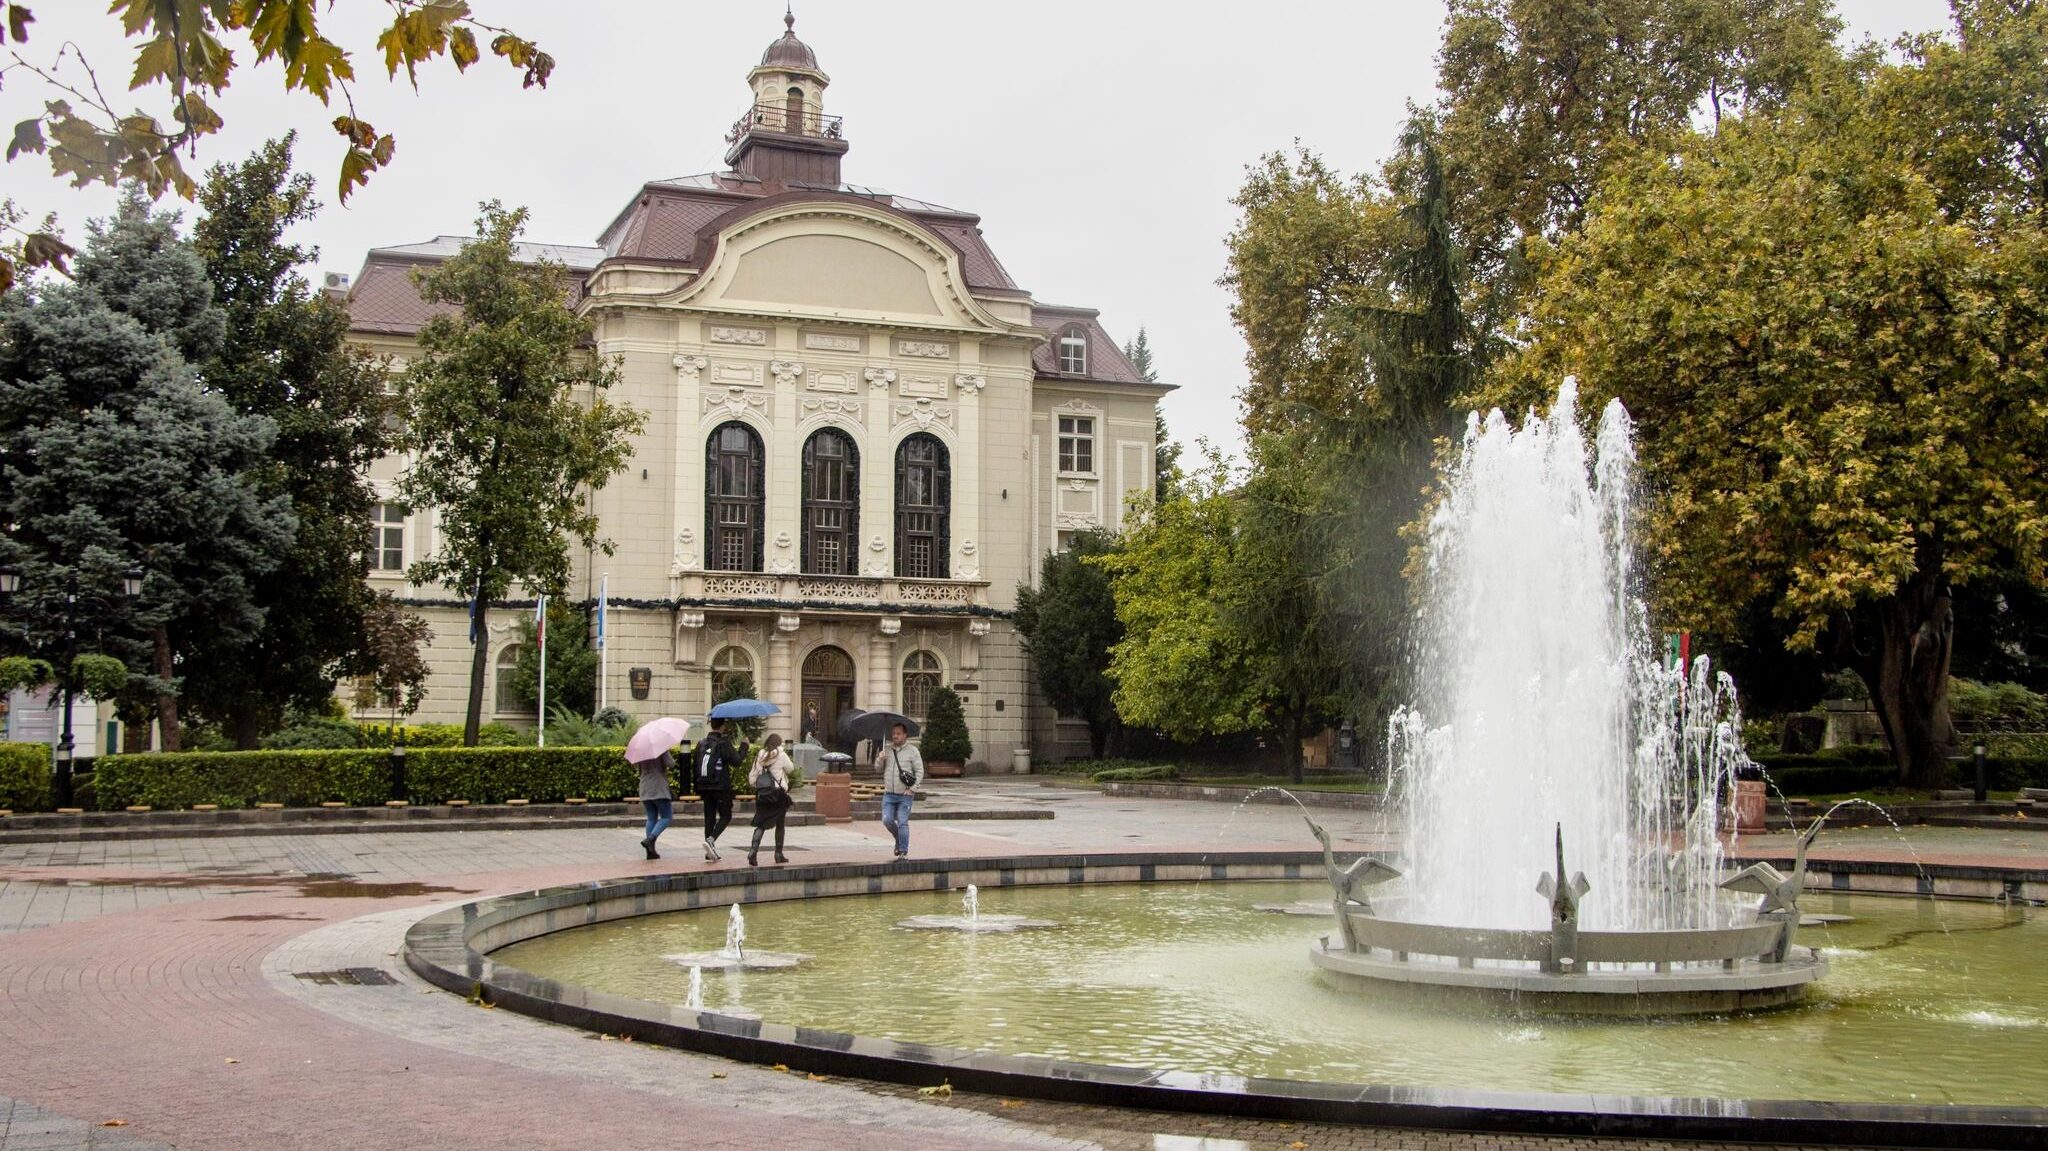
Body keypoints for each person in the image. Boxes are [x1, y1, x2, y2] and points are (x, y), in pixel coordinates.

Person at [693, 718, 742, 861]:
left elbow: (694, 765)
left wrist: (697, 786)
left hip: (704, 786)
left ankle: (710, 851)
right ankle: (711, 840)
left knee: (709, 817)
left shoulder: (701, 743)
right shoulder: (723, 743)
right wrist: (744, 746)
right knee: (726, 815)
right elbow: (736, 761)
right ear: (723, 726)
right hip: (720, 786)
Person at [876, 721, 924, 859]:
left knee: (903, 821)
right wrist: (880, 760)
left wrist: (913, 789)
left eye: (898, 734)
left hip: (905, 794)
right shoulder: (887, 750)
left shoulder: (913, 751)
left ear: (905, 735)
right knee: (887, 820)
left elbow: (920, 771)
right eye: (893, 734)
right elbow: (878, 770)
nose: (895, 736)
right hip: (889, 794)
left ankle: (903, 851)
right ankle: (898, 839)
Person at [746, 733, 795, 866]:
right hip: (778, 795)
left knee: (761, 823)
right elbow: (791, 769)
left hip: (762, 795)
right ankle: (778, 854)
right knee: (780, 824)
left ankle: (753, 851)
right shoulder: (782, 754)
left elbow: (752, 778)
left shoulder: (760, 755)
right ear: (779, 744)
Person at [634, 749, 676, 860]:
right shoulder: (660, 748)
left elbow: (639, 770)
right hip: (658, 787)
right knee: (666, 817)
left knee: (651, 818)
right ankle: (650, 839)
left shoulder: (640, 751)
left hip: (644, 786)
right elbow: (671, 764)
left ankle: (650, 850)